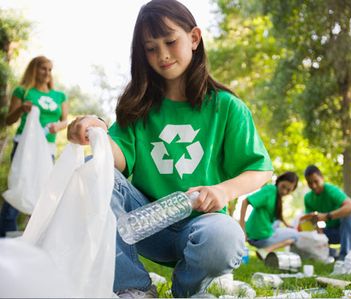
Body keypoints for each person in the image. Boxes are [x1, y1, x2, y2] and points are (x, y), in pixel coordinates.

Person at [66, 0, 273, 297]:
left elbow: (260, 169)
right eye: (150, 48)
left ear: (194, 37)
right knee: (94, 173)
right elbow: (115, 162)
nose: (162, 55)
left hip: (201, 225)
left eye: (170, 41)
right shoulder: (139, 107)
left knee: (226, 237)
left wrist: (223, 191)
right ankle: (134, 287)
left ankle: (188, 289)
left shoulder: (227, 107)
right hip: (144, 222)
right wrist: (94, 130)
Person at [0, 55, 68, 238]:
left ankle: (34, 236)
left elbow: (65, 121)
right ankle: (5, 234)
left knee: (43, 188)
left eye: (50, 69)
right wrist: (21, 109)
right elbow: (8, 120)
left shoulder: (59, 95)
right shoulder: (22, 91)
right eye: (43, 68)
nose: (47, 73)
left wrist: (58, 127)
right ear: (34, 69)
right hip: (25, 144)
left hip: (47, 147)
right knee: (20, 184)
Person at [300, 165, 351, 260]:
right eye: (310, 183)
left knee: (348, 218)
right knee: (311, 234)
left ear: (322, 178)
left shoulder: (330, 190)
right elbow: (311, 221)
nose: (313, 186)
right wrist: (316, 227)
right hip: (330, 232)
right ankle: (331, 254)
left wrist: (327, 216)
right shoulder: (308, 198)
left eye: (316, 181)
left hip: (348, 231)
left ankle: (344, 256)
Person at [240, 171, 300, 260]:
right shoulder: (271, 190)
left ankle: (265, 250)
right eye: (283, 186)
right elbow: (246, 201)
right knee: (296, 235)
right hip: (259, 237)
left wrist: (287, 225)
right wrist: (242, 227)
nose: (284, 191)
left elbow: (279, 217)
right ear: (279, 181)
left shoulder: (277, 197)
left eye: (288, 190)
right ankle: (266, 251)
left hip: (254, 235)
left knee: (277, 222)